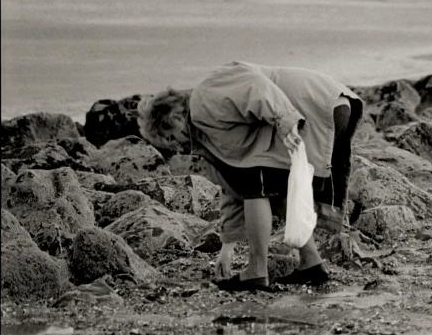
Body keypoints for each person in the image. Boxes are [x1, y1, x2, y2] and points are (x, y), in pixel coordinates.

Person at [137, 61, 363, 291]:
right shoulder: (209, 129)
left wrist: (285, 119)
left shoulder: (205, 96)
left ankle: (257, 270)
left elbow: (255, 87)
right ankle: (311, 263)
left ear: (174, 117)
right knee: (272, 186)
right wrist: (227, 247)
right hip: (332, 106)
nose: (176, 148)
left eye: (170, 139)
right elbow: (232, 186)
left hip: (315, 107)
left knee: (258, 186)